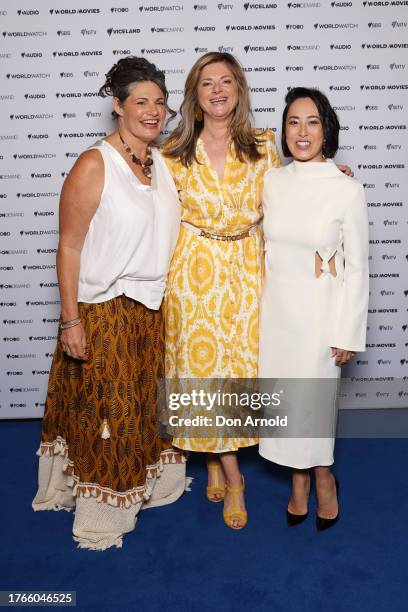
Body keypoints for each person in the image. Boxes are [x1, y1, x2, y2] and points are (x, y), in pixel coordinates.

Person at [32, 57, 186, 550]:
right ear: (118, 106)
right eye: (140, 101)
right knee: (108, 415)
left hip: (151, 308)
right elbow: (70, 247)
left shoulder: (161, 162)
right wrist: (70, 320)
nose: (152, 111)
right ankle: (102, 517)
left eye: (160, 102)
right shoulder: (94, 163)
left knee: (143, 408)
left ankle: (146, 487)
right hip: (105, 309)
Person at [163, 52, 281, 529]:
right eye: (207, 82)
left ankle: (214, 456)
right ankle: (235, 479)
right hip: (193, 271)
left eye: (226, 81)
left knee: (239, 370)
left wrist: (334, 180)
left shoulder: (263, 145)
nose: (217, 89)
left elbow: (291, 198)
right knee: (200, 368)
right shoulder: (171, 151)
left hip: (249, 270)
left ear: (239, 89)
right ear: (195, 94)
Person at [258, 87, 369, 530]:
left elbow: (357, 268)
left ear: (327, 128)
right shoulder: (270, 180)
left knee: (315, 405)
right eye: (293, 122)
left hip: (322, 316)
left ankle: (323, 477)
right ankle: (297, 480)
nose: (302, 132)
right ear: (283, 131)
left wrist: (347, 332)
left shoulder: (347, 188)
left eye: (312, 122)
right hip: (276, 313)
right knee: (286, 403)